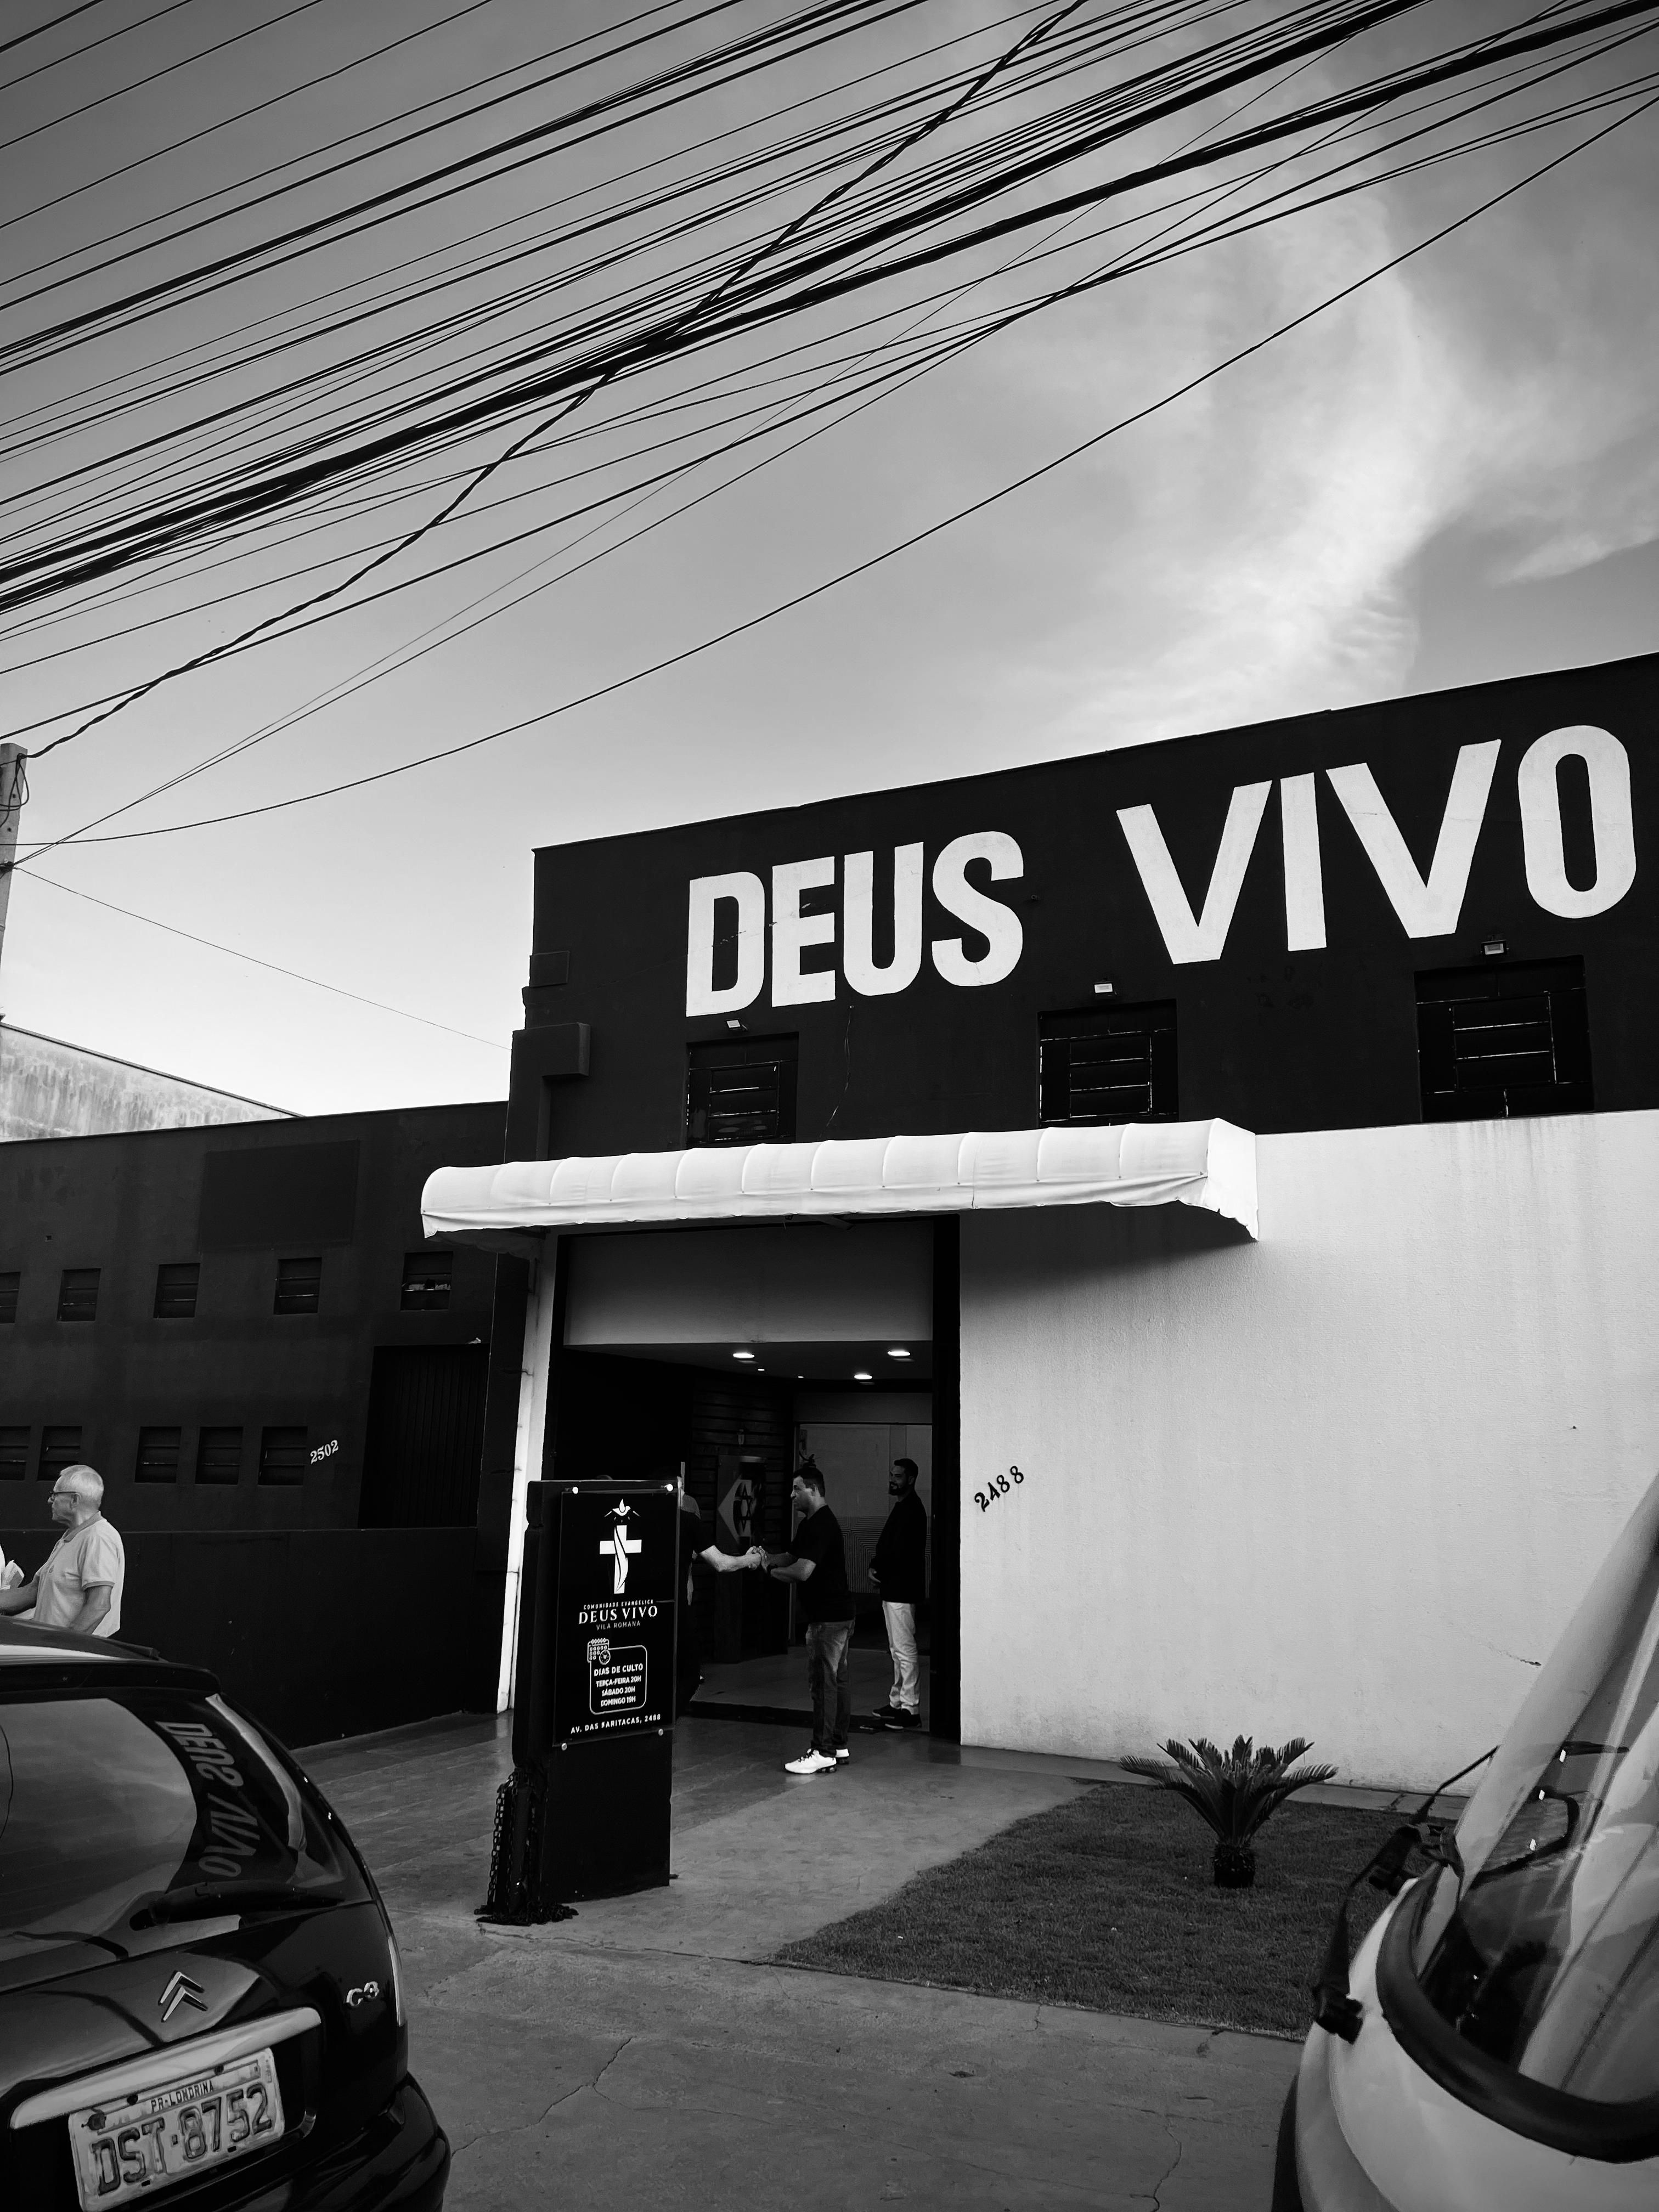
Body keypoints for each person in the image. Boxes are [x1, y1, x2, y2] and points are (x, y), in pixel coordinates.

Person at [761, 1459, 855, 1776]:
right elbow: (792, 1557)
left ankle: (822, 1751)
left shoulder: (822, 1525)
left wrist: (770, 1573)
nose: (791, 1495)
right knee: (837, 1682)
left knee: (824, 1685)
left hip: (828, 1620)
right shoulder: (810, 1525)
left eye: (797, 1489)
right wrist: (766, 1558)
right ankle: (838, 1746)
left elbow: (802, 1571)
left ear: (813, 1490)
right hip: (838, 1616)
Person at [0, 1464, 125, 1637]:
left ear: (74, 1500)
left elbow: (99, 1605)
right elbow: (32, 1592)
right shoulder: (71, 1537)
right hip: (50, 1647)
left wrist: (64, 1644)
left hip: (69, 1651)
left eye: (55, 1495)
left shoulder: (99, 1537)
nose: (49, 1500)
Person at [675, 1485, 764, 1716]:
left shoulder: (643, 1519)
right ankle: (666, 1721)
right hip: (676, 1609)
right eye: (680, 1488)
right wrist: (750, 1560)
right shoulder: (687, 1519)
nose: (684, 1494)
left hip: (647, 1608)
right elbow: (721, 1563)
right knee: (690, 1674)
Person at [870, 1455, 927, 1730]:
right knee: (897, 1649)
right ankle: (898, 1702)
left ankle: (910, 1709)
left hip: (901, 1590)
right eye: (892, 1475)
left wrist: (879, 1568)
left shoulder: (912, 1509)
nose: (893, 1480)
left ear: (911, 1479)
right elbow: (890, 1547)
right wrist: (876, 1567)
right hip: (894, 1588)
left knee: (904, 1649)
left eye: (898, 1476)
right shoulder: (904, 1506)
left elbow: (901, 1552)